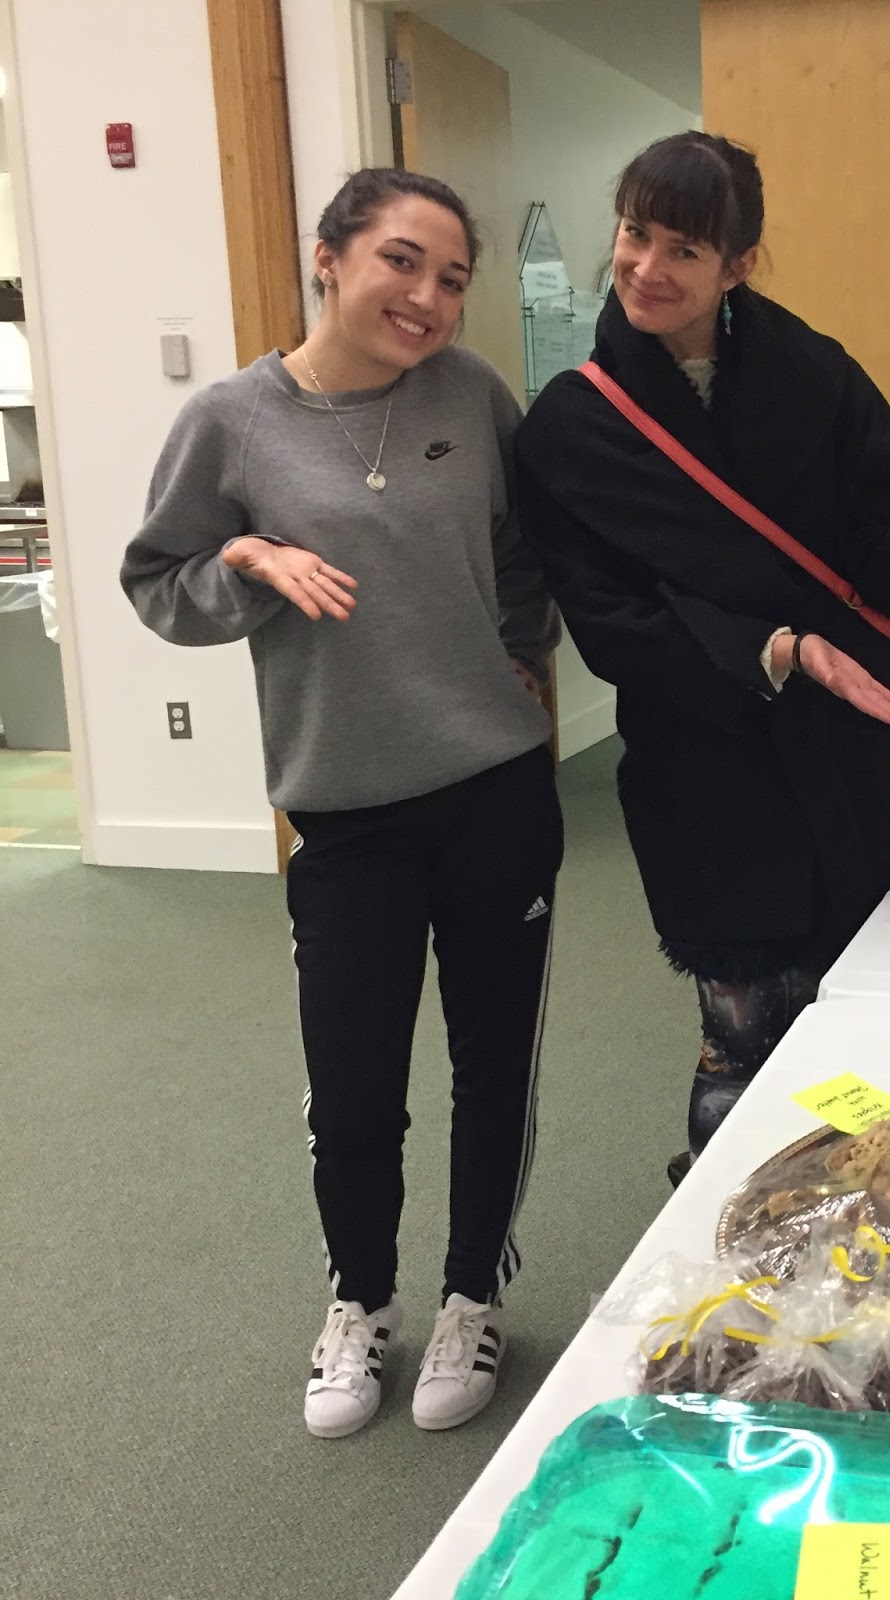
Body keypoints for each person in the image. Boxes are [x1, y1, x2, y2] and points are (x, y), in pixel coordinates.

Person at [516, 133, 890, 1179]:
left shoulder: (815, 375)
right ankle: (737, 1240)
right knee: (741, 1050)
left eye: (684, 249)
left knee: (879, 1025)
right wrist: (775, 649)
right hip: (707, 773)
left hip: (853, 757)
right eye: (633, 234)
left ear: (737, 264)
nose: (648, 268)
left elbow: (883, 563)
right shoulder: (571, 428)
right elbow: (611, 625)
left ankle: (884, 1241)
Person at [121, 169, 563, 1439]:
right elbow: (157, 580)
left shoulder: (473, 398)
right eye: (400, 262)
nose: (427, 297)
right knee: (356, 1086)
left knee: (495, 1068)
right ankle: (359, 1304)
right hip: (343, 808)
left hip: (493, 792)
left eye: (452, 278)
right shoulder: (234, 421)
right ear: (328, 258)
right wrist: (242, 562)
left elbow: (526, 548)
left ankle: (473, 1295)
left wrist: (520, 655)